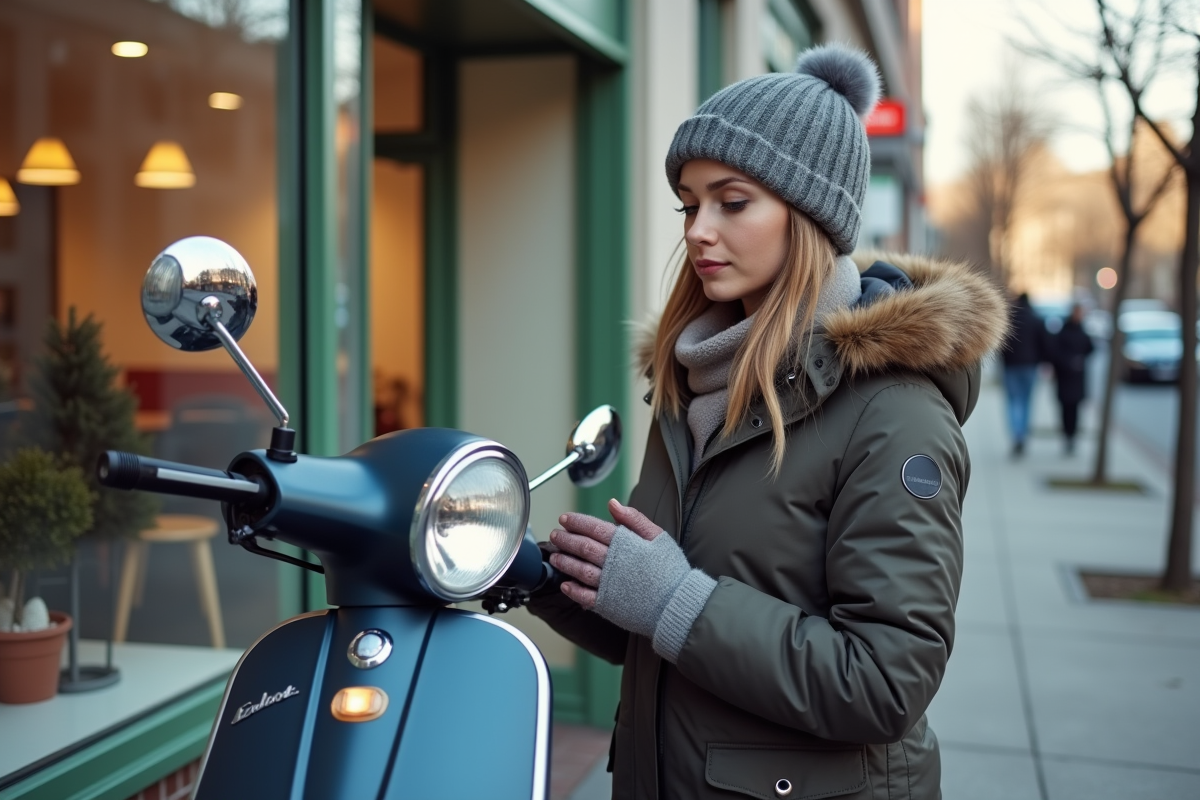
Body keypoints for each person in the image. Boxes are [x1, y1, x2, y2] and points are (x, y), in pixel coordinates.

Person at [526, 44, 1009, 800]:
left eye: (732, 201)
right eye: (689, 204)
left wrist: (673, 599)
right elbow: (669, 636)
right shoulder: (695, 379)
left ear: (809, 211)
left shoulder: (895, 412)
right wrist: (543, 578)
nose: (697, 231)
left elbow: (886, 683)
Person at [1001, 293, 1047, 457]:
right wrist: (1042, 361)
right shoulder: (1036, 319)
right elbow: (1045, 343)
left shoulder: (1010, 320)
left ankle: (1016, 435)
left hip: (1011, 366)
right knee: (1027, 402)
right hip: (1030, 366)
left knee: (1013, 402)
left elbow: (1001, 345)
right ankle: (1023, 435)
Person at [1050, 303, 1094, 455]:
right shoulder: (1063, 332)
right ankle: (1066, 434)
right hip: (1064, 377)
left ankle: (1072, 436)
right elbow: (1055, 353)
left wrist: (1080, 360)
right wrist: (1067, 362)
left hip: (1078, 378)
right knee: (1065, 408)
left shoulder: (1083, 331)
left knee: (1075, 408)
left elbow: (1090, 348)